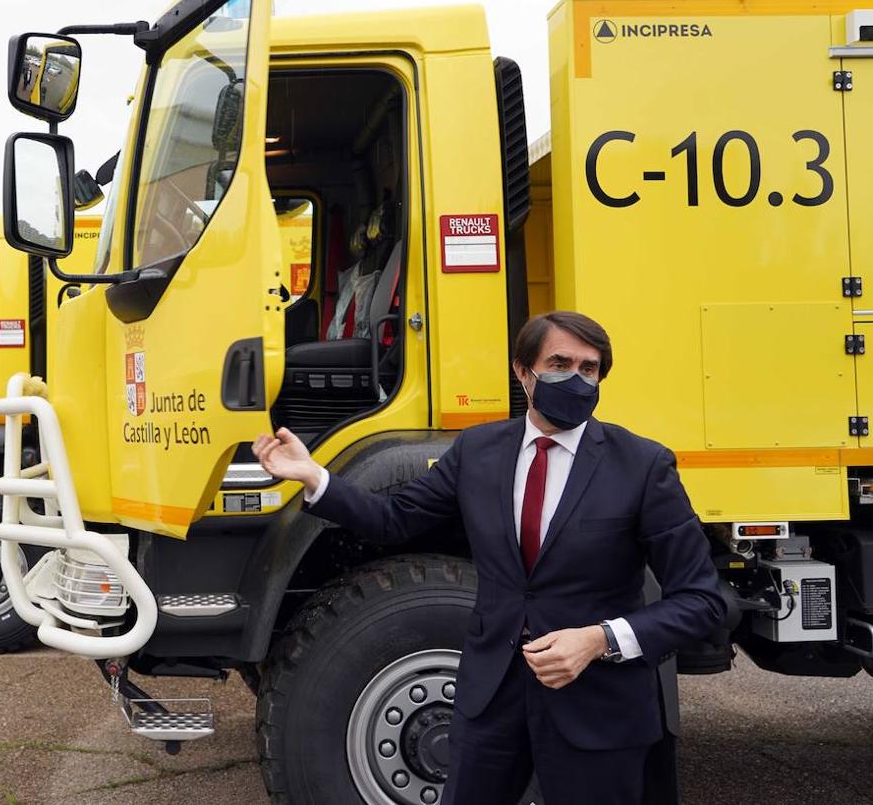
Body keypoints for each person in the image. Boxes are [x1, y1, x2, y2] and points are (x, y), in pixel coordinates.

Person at [252, 311, 725, 805]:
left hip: (597, 704)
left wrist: (599, 640)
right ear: (524, 372)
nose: (577, 378)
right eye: (561, 363)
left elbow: (702, 602)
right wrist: (313, 477)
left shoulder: (643, 466)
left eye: (590, 369)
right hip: (491, 701)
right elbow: (394, 520)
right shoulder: (477, 450)